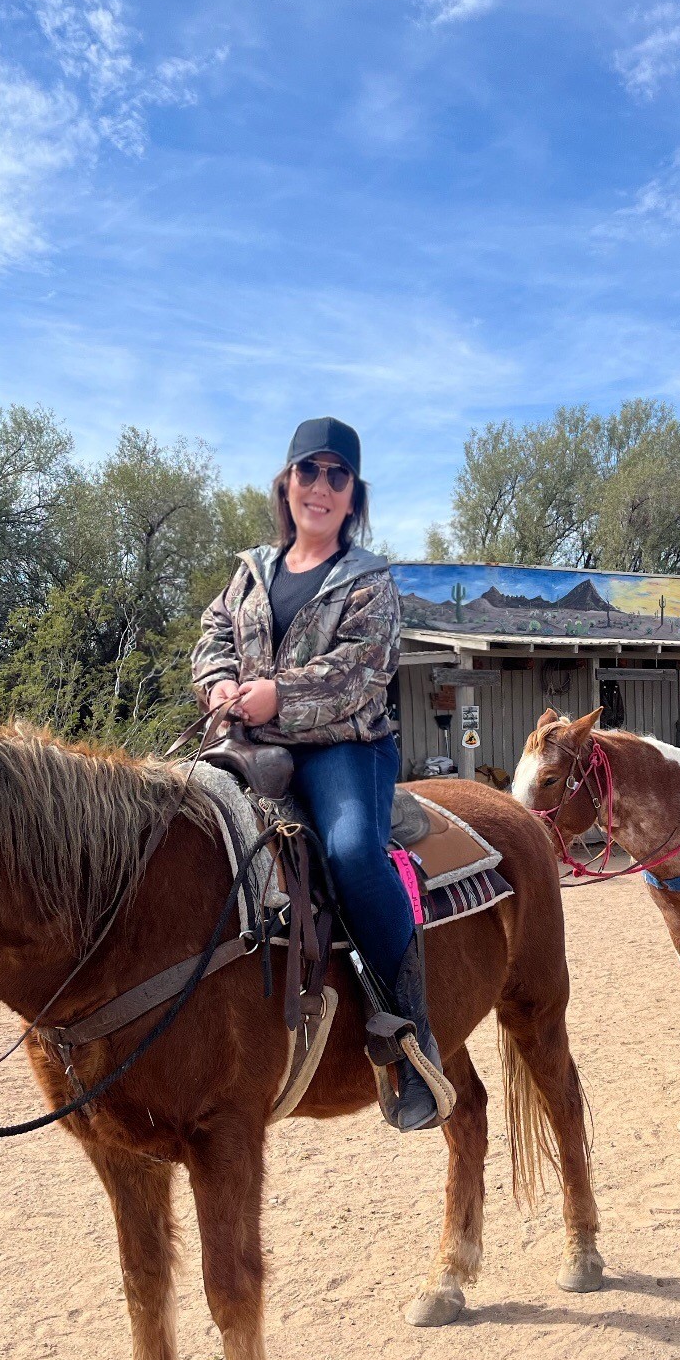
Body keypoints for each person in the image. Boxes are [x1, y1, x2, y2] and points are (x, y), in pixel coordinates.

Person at [191, 417, 445, 1129]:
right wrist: (218, 687)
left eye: (338, 476)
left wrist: (280, 695)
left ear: (353, 495)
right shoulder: (249, 573)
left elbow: (365, 671)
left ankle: (412, 1035)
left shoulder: (369, 580)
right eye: (309, 471)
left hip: (344, 746)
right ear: (286, 484)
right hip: (246, 740)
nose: (321, 487)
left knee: (351, 853)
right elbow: (211, 640)